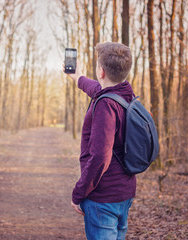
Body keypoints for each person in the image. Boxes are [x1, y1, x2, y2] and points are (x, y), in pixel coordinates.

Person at [64, 42, 136, 240]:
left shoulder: (106, 105)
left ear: (101, 71)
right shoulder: (126, 96)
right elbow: (95, 88)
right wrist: (77, 77)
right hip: (124, 192)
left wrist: (79, 193)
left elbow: (100, 158)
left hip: (103, 198)